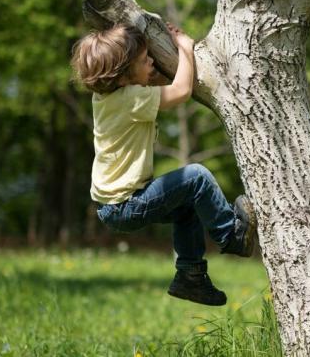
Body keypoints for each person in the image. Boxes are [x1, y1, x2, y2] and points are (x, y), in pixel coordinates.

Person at [70, 23, 256, 306]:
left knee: (187, 206)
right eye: (145, 61)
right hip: (126, 204)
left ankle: (190, 276)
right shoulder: (131, 98)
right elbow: (180, 91)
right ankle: (232, 235)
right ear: (123, 78)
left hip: (113, 207)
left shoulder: (106, 97)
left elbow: (153, 82)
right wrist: (185, 48)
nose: (153, 63)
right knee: (197, 177)